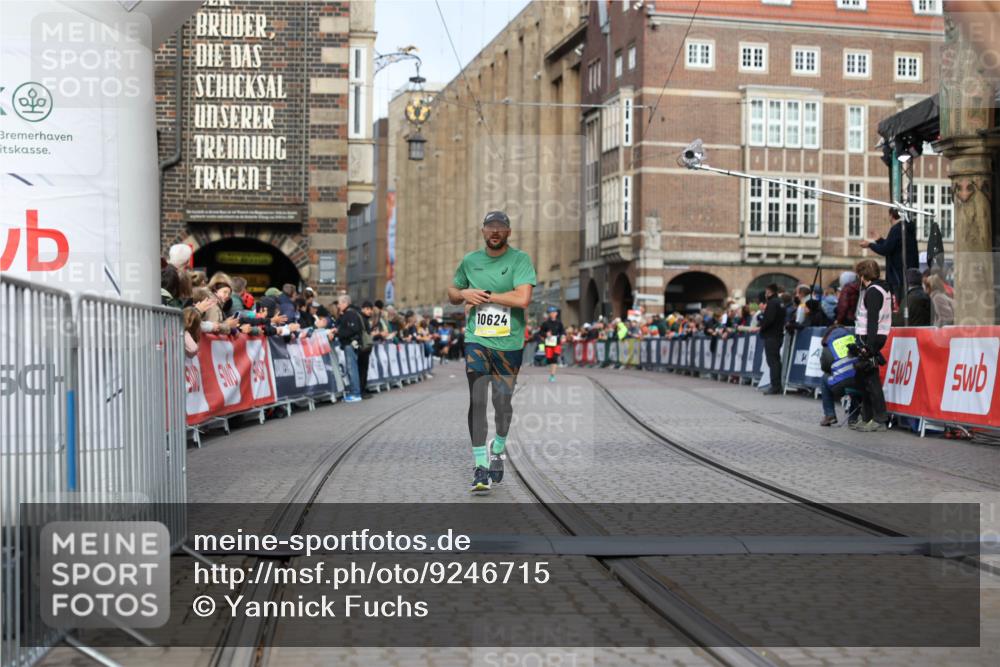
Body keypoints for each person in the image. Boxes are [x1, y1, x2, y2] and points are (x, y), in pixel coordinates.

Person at [447, 210, 536, 494]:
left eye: (500, 227)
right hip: (478, 339)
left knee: (502, 404)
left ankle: (498, 446)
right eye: (490, 227)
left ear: (508, 232)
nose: (495, 232)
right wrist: (462, 294)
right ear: (483, 231)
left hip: (509, 344)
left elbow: (523, 299)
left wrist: (483, 295)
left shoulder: (520, 260)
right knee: (477, 398)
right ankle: (480, 467)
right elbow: (452, 291)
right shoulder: (470, 260)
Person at [851, 259, 891, 432]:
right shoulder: (881, 288)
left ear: (862, 275)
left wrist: (869, 346)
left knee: (871, 380)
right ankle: (867, 416)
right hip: (873, 337)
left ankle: (880, 418)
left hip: (871, 338)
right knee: (865, 379)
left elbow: (872, 321)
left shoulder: (873, 292)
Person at [860, 208, 918, 302]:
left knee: (897, 303)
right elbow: (893, 247)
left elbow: (886, 249)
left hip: (897, 276)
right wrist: (879, 240)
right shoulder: (907, 228)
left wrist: (870, 245)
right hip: (906, 273)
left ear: (891, 215)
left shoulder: (896, 229)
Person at [817, 325, 857, 426]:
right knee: (853, 380)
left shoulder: (830, 343)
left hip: (841, 385)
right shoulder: (854, 338)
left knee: (824, 378)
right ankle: (853, 418)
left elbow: (825, 367)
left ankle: (830, 415)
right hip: (860, 383)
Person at [335, 294, 367, 403]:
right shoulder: (350, 313)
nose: (338, 306)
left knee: (352, 369)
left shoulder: (350, 314)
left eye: (339, 303)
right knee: (351, 368)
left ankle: (355, 393)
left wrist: (338, 332)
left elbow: (353, 329)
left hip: (350, 344)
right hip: (350, 344)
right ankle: (355, 392)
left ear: (345, 303)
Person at [758, 283, 785, 395]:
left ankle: (775, 386)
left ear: (769, 292)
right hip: (778, 334)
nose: (765, 295)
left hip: (772, 335)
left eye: (766, 292)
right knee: (776, 360)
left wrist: (762, 327)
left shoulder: (772, 303)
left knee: (772, 361)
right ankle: (776, 384)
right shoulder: (780, 302)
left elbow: (769, 319)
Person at [539, 306, 566, 382]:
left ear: (556, 313)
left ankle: (552, 375)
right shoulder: (545, 323)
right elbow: (540, 332)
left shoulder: (559, 323)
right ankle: (551, 371)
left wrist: (563, 336)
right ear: (549, 314)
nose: (552, 314)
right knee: (550, 359)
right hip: (548, 344)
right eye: (551, 313)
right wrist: (546, 334)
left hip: (557, 343)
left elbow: (562, 331)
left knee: (555, 358)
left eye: (554, 312)